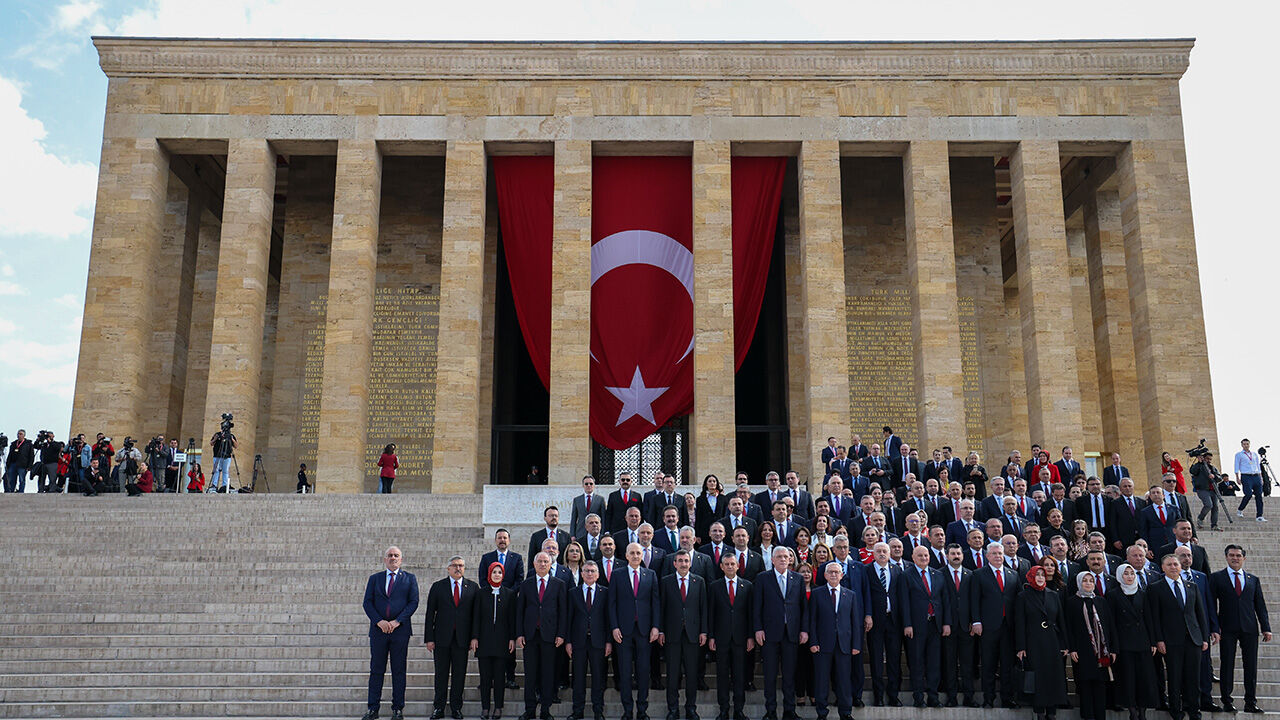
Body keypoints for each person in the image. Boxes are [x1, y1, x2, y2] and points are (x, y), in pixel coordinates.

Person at [1209, 544, 1272, 714]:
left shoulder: (1253, 579)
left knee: (1251, 665)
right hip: (1226, 628)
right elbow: (1211, 605)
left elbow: (1260, 605)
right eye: (1231, 555)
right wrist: (1214, 627)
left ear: (1244, 558)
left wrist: (1266, 628)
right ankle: (1227, 701)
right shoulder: (1217, 578)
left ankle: (1250, 702)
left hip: (1250, 628)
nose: (1235, 558)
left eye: (1238, 555)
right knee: (1227, 664)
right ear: (1226, 557)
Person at [361, 546, 419, 720]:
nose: (393, 558)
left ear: (401, 559)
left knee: (399, 670)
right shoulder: (375, 578)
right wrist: (379, 621)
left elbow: (413, 602)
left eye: (396, 555)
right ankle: (373, 708)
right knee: (376, 670)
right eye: (389, 555)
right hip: (379, 631)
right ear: (384, 559)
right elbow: (367, 603)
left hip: (400, 631)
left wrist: (396, 621)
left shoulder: (409, 579)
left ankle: (398, 708)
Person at [1149, 554, 1210, 720]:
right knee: (1175, 677)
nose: (1173, 567)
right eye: (1169, 565)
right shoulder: (1155, 588)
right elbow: (1155, 617)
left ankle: (1194, 710)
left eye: (1176, 564)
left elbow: (1200, 613)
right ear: (1162, 568)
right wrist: (1159, 639)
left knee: (1193, 677)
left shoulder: (1192, 586)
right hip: (1170, 641)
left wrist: (1204, 637)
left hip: (1193, 639)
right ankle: (1176, 710)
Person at [609, 542, 660, 720]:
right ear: (626, 555)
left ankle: (642, 709)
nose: (636, 556)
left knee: (643, 670)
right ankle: (627, 710)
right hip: (623, 630)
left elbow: (655, 603)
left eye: (638, 553)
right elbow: (612, 603)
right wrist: (614, 627)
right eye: (632, 553)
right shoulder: (617, 575)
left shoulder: (650, 574)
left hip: (645, 630)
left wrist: (656, 626)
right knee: (624, 670)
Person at [424, 556, 479, 720]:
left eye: (461, 565)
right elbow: (429, 614)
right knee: (441, 674)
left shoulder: (473, 587)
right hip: (441, 638)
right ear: (448, 568)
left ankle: (456, 707)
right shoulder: (438, 586)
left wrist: (474, 637)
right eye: (455, 565)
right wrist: (429, 638)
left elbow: (476, 616)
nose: (458, 568)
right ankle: (438, 708)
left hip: (462, 639)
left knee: (459, 674)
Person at [754, 546, 806, 720]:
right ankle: (770, 711)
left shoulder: (798, 578)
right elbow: (757, 607)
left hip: (791, 633)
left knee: (789, 675)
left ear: (790, 559)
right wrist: (758, 628)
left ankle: (789, 710)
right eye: (779, 556)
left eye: (786, 556)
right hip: (769, 634)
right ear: (773, 560)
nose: (783, 559)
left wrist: (804, 630)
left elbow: (803, 607)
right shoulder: (763, 578)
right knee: (769, 675)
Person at [806, 561, 863, 720]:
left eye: (836, 572)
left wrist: (856, 644)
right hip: (822, 644)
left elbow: (855, 622)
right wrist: (813, 641)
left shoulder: (850, 594)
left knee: (844, 680)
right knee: (822, 680)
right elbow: (813, 621)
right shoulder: (817, 594)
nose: (833, 575)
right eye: (830, 572)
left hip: (844, 645)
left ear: (841, 575)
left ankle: (846, 713)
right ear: (824, 575)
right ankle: (821, 713)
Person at [518, 552, 569, 720]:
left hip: (550, 636)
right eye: (539, 561)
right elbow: (520, 611)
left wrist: (561, 634)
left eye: (545, 561)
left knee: (548, 674)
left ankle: (546, 710)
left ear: (550, 564)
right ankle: (530, 709)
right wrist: (519, 634)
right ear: (534, 564)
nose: (542, 564)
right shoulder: (526, 585)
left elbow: (563, 612)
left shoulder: (559, 584)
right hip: (530, 636)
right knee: (530, 674)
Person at [658, 549, 707, 719]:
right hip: (672, 634)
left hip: (693, 634)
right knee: (672, 674)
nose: (683, 564)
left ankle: (691, 708)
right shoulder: (666, 581)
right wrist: (661, 630)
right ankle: (673, 709)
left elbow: (703, 609)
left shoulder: (699, 581)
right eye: (680, 561)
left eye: (686, 561)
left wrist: (704, 631)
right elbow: (661, 608)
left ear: (690, 563)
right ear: (674, 563)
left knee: (692, 673)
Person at [1014, 566, 1068, 720]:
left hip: (1052, 641)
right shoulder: (1023, 596)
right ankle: (1040, 712)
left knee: (1053, 676)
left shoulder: (1053, 595)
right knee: (1038, 676)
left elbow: (1060, 620)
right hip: (1033, 642)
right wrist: (1021, 647)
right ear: (1030, 577)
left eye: (1042, 575)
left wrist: (1064, 643)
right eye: (1036, 575)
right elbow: (1020, 623)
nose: (1040, 577)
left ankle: (1052, 712)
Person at [970, 542, 1018, 708]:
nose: (998, 556)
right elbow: (974, 600)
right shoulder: (979, 574)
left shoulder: (1013, 574)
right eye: (995, 554)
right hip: (988, 626)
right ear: (987, 556)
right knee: (989, 664)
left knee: (1007, 664)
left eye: (1000, 553)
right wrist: (976, 621)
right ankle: (988, 699)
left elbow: (1016, 601)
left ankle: (1007, 698)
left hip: (1008, 626)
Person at [1065, 572, 1116, 720]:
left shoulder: (1101, 601)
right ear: (1079, 583)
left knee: (1100, 684)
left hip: (1101, 651)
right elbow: (1069, 627)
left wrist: (1113, 649)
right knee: (1085, 685)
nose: (1088, 583)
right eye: (1085, 581)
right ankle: (1087, 716)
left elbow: (1110, 626)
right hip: (1082, 650)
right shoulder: (1072, 602)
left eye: (1091, 581)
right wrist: (1072, 648)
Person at [709, 552, 754, 720]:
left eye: (732, 564)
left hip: (741, 639)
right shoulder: (714, 586)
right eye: (726, 564)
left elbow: (751, 613)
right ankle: (724, 709)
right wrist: (711, 636)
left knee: (739, 675)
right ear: (721, 567)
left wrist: (750, 636)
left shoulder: (747, 586)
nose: (729, 567)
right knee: (722, 675)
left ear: (737, 566)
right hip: (721, 638)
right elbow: (711, 613)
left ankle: (739, 710)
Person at [904, 545, 950, 708]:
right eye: (920, 555)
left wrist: (946, 623)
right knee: (917, 662)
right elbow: (904, 602)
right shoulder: (906, 575)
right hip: (916, 627)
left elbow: (944, 600)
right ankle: (918, 697)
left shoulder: (938, 575)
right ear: (913, 557)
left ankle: (933, 696)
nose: (924, 558)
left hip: (935, 625)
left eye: (926, 555)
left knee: (934, 663)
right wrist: (907, 624)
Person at [1111, 564, 1158, 720]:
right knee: (1128, 679)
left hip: (1142, 642)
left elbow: (1149, 619)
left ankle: (1142, 712)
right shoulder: (1113, 595)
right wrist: (1114, 646)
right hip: (1124, 644)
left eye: (1132, 573)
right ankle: (1132, 712)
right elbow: (1111, 623)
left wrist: (1152, 641)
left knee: (1144, 678)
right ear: (1119, 576)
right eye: (1126, 574)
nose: (1130, 576)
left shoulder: (1143, 593)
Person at [567, 561, 610, 720]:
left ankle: (598, 711)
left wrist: (608, 641)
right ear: (582, 573)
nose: (590, 574)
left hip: (598, 642)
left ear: (598, 574)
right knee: (578, 678)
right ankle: (577, 711)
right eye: (586, 571)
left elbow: (608, 619)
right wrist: (568, 641)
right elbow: (569, 618)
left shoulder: (605, 592)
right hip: (578, 642)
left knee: (598, 678)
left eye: (593, 571)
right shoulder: (573, 592)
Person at [478, 562, 517, 720]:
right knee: (485, 678)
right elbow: (476, 618)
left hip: (502, 642)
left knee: (500, 677)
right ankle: (485, 708)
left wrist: (512, 638)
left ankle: (498, 707)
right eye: (494, 572)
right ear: (489, 574)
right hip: (484, 641)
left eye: (499, 572)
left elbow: (512, 619)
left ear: (503, 575)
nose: (496, 575)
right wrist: (474, 637)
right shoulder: (481, 594)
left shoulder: (509, 594)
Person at [1235, 439, 1266, 521]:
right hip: (1246, 476)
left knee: (1259, 496)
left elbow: (1258, 467)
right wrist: (1237, 477)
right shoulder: (1239, 455)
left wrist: (1261, 477)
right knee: (1248, 494)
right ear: (1242, 445)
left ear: (1249, 444)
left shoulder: (1254, 454)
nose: (1246, 445)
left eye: (1247, 444)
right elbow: (1236, 466)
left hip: (1256, 476)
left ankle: (1259, 516)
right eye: (1244, 444)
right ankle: (1240, 509)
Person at [1190, 453, 1223, 531]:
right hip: (1202, 489)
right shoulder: (1198, 466)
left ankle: (1214, 525)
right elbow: (1193, 471)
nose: (1209, 461)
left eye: (1210, 459)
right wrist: (1199, 463)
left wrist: (1214, 476)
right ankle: (1200, 518)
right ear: (1204, 458)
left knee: (1215, 507)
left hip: (1213, 490)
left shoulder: (1212, 468)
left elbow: (1220, 478)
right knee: (1208, 504)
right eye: (1207, 459)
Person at [208, 425, 236, 492]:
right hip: (217, 455)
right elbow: (211, 443)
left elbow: (236, 446)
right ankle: (214, 485)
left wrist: (232, 439)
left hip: (227, 456)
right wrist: (215, 439)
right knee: (216, 470)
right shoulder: (217, 434)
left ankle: (225, 485)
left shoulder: (231, 435)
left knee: (225, 471)